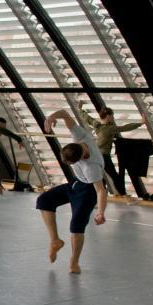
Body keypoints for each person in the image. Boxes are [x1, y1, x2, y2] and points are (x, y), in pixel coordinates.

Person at [38, 109, 107, 274]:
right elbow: (65, 113)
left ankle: (74, 262)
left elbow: (101, 191)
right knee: (44, 200)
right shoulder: (80, 137)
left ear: (81, 158)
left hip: (89, 191)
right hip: (76, 183)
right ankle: (55, 241)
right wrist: (51, 117)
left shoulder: (92, 167)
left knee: (76, 225)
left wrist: (100, 212)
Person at [78, 101, 147, 199]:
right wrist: (140, 123)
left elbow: (87, 118)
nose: (113, 118)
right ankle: (123, 194)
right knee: (114, 176)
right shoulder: (110, 129)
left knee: (99, 176)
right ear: (108, 116)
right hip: (104, 156)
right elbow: (125, 128)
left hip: (95, 154)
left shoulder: (97, 125)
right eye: (112, 116)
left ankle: (96, 194)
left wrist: (80, 109)